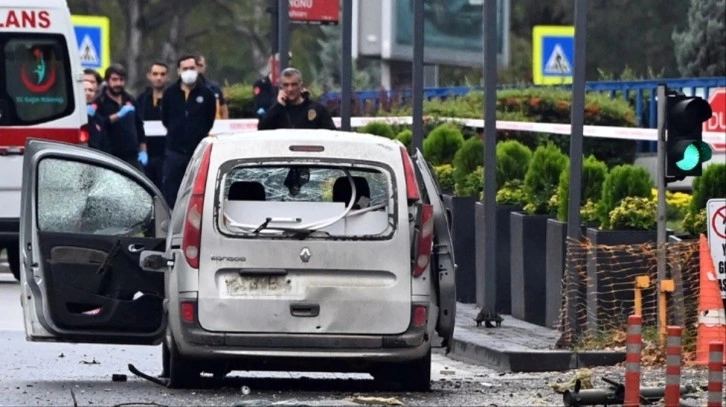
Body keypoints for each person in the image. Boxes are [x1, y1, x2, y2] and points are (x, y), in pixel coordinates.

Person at [161, 54, 217, 207]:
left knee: (198, 190)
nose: (189, 71)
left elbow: (209, 120)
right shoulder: (170, 93)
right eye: (185, 69)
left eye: (192, 68)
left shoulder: (207, 94)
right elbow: (165, 119)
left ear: (198, 69)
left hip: (197, 151)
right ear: (179, 71)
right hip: (175, 151)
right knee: (172, 190)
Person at [93, 63, 147, 170]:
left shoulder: (130, 100)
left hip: (132, 157)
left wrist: (143, 151)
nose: (118, 83)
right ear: (107, 81)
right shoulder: (99, 102)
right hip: (110, 156)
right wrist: (118, 115)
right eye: (114, 79)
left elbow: (139, 126)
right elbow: (99, 125)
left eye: (121, 80)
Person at [257, 67, 336, 130]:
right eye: (286, 85)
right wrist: (278, 106)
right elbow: (262, 129)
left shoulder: (317, 109)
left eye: (294, 84)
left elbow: (331, 134)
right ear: (281, 87)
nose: (290, 89)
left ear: (300, 85)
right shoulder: (277, 110)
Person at [136, 62, 169, 190]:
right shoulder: (142, 99)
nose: (159, 78)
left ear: (167, 77)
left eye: (162, 74)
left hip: (167, 153)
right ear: (149, 76)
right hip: (147, 152)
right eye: (155, 74)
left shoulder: (173, 97)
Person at [196, 54, 228, 119]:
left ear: (205, 67)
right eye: (196, 66)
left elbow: (224, 110)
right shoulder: (180, 89)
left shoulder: (214, 88)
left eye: (201, 66)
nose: (198, 69)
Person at [83, 79, 108, 152]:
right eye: (84, 90)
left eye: (90, 90)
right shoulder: (74, 113)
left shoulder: (97, 114)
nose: (87, 93)